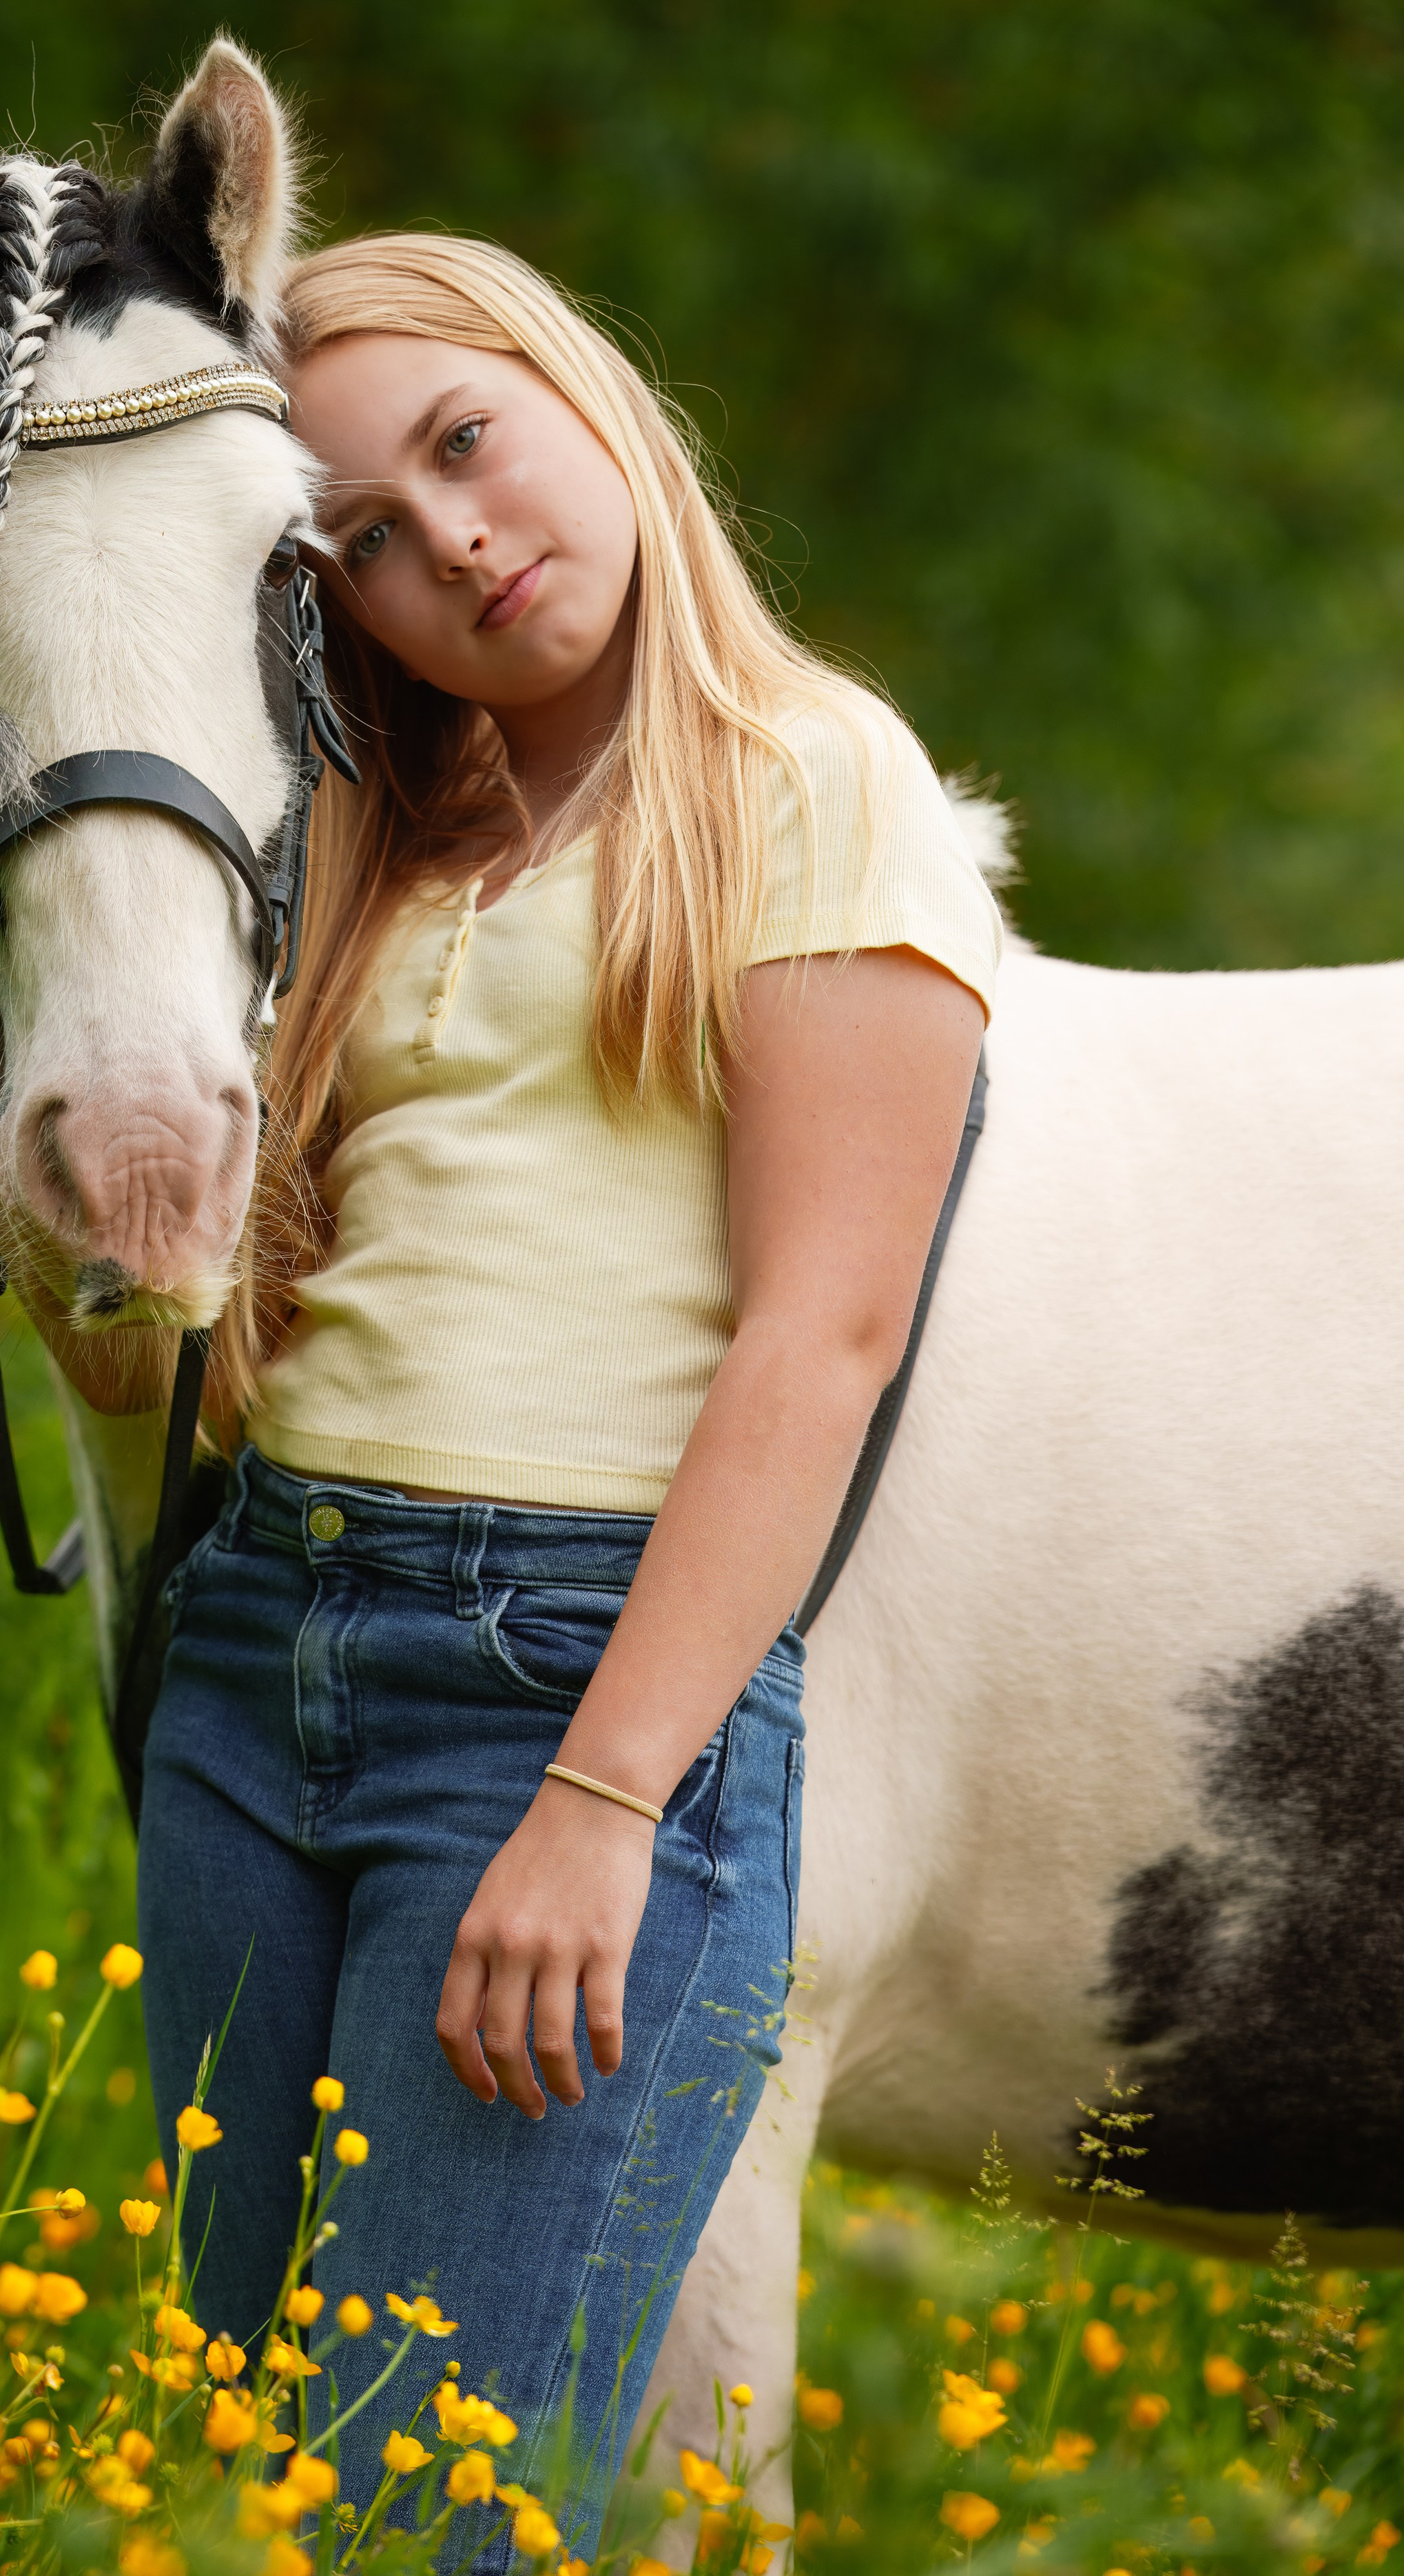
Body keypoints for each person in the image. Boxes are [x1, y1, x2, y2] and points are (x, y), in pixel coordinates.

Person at [137, 231, 999, 2542]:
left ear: (575, 387)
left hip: (562, 1682)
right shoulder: (383, 838)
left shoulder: (811, 781)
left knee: (410, 2504)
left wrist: (608, 1800)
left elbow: (822, 1339)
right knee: (218, 2472)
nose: (456, 546)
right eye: (371, 547)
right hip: (257, 1650)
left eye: (464, 444)